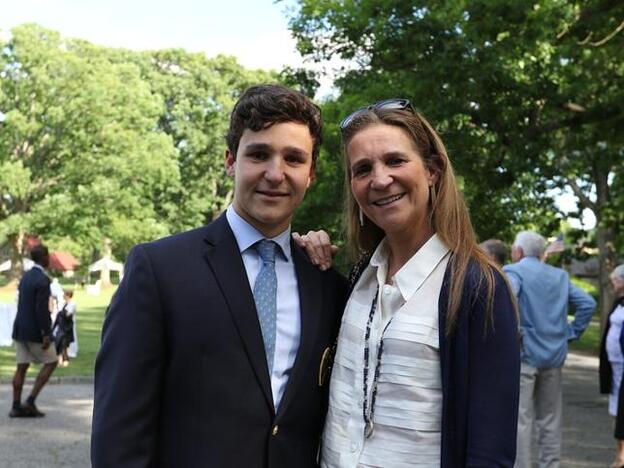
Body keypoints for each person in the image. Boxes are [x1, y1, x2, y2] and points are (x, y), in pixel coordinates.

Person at [91, 84, 348, 467]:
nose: (275, 174)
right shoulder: (159, 269)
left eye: (293, 159)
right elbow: (119, 433)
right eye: (259, 154)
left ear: (310, 173)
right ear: (231, 160)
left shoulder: (327, 283)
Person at [321, 99, 520, 467]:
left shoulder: (477, 287)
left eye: (395, 161)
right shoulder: (358, 277)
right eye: (362, 169)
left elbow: (490, 448)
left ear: (432, 170)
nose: (380, 180)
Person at [503, 230, 596, 468]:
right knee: (550, 420)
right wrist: (571, 333)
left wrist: (512, 333)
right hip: (554, 356)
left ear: (519, 251)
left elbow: (507, 298)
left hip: (525, 356)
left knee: (520, 420)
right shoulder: (560, 276)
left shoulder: (514, 271)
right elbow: (588, 303)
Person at [9, 244, 57, 418]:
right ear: (43, 258)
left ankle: (15, 405)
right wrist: (46, 333)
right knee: (52, 361)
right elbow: (41, 309)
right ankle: (30, 400)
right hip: (35, 331)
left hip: (20, 328)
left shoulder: (25, 277)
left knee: (21, 367)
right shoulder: (43, 280)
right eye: (48, 256)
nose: (49, 259)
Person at [600, 264, 624, 468]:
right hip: (615, 366)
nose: (613, 283)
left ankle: (621, 456)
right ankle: (620, 452)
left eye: (615, 280)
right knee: (617, 409)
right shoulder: (619, 303)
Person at [52, 290, 75, 367]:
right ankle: (60, 360)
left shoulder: (72, 304)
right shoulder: (65, 304)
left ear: (68, 296)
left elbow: (68, 315)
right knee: (60, 344)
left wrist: (61, 313)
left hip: (66, 328)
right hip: (62, 326)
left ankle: (65, 360)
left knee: (65, 344)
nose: (63, 296)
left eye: (64, 295)